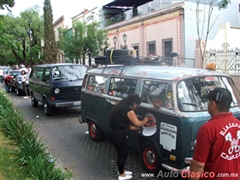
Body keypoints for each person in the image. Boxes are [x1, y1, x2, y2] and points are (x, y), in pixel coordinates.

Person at [189, 87, 240, 180]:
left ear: (213, 104)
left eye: (209, 101)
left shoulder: (207, 129)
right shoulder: (238, 124)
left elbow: (198, 166)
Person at [105, 94, 149, 180]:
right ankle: (121, 175)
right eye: (137, 105)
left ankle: (122, 170)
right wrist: (146, 119)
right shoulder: (129, 111)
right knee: (122, 153)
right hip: (118, 135)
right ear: (133, 103)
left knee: (122, 152)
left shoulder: (120, 107)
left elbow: (125, 125)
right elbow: (138, 123)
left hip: (111, 133)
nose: (136, 107)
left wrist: (135, 129)